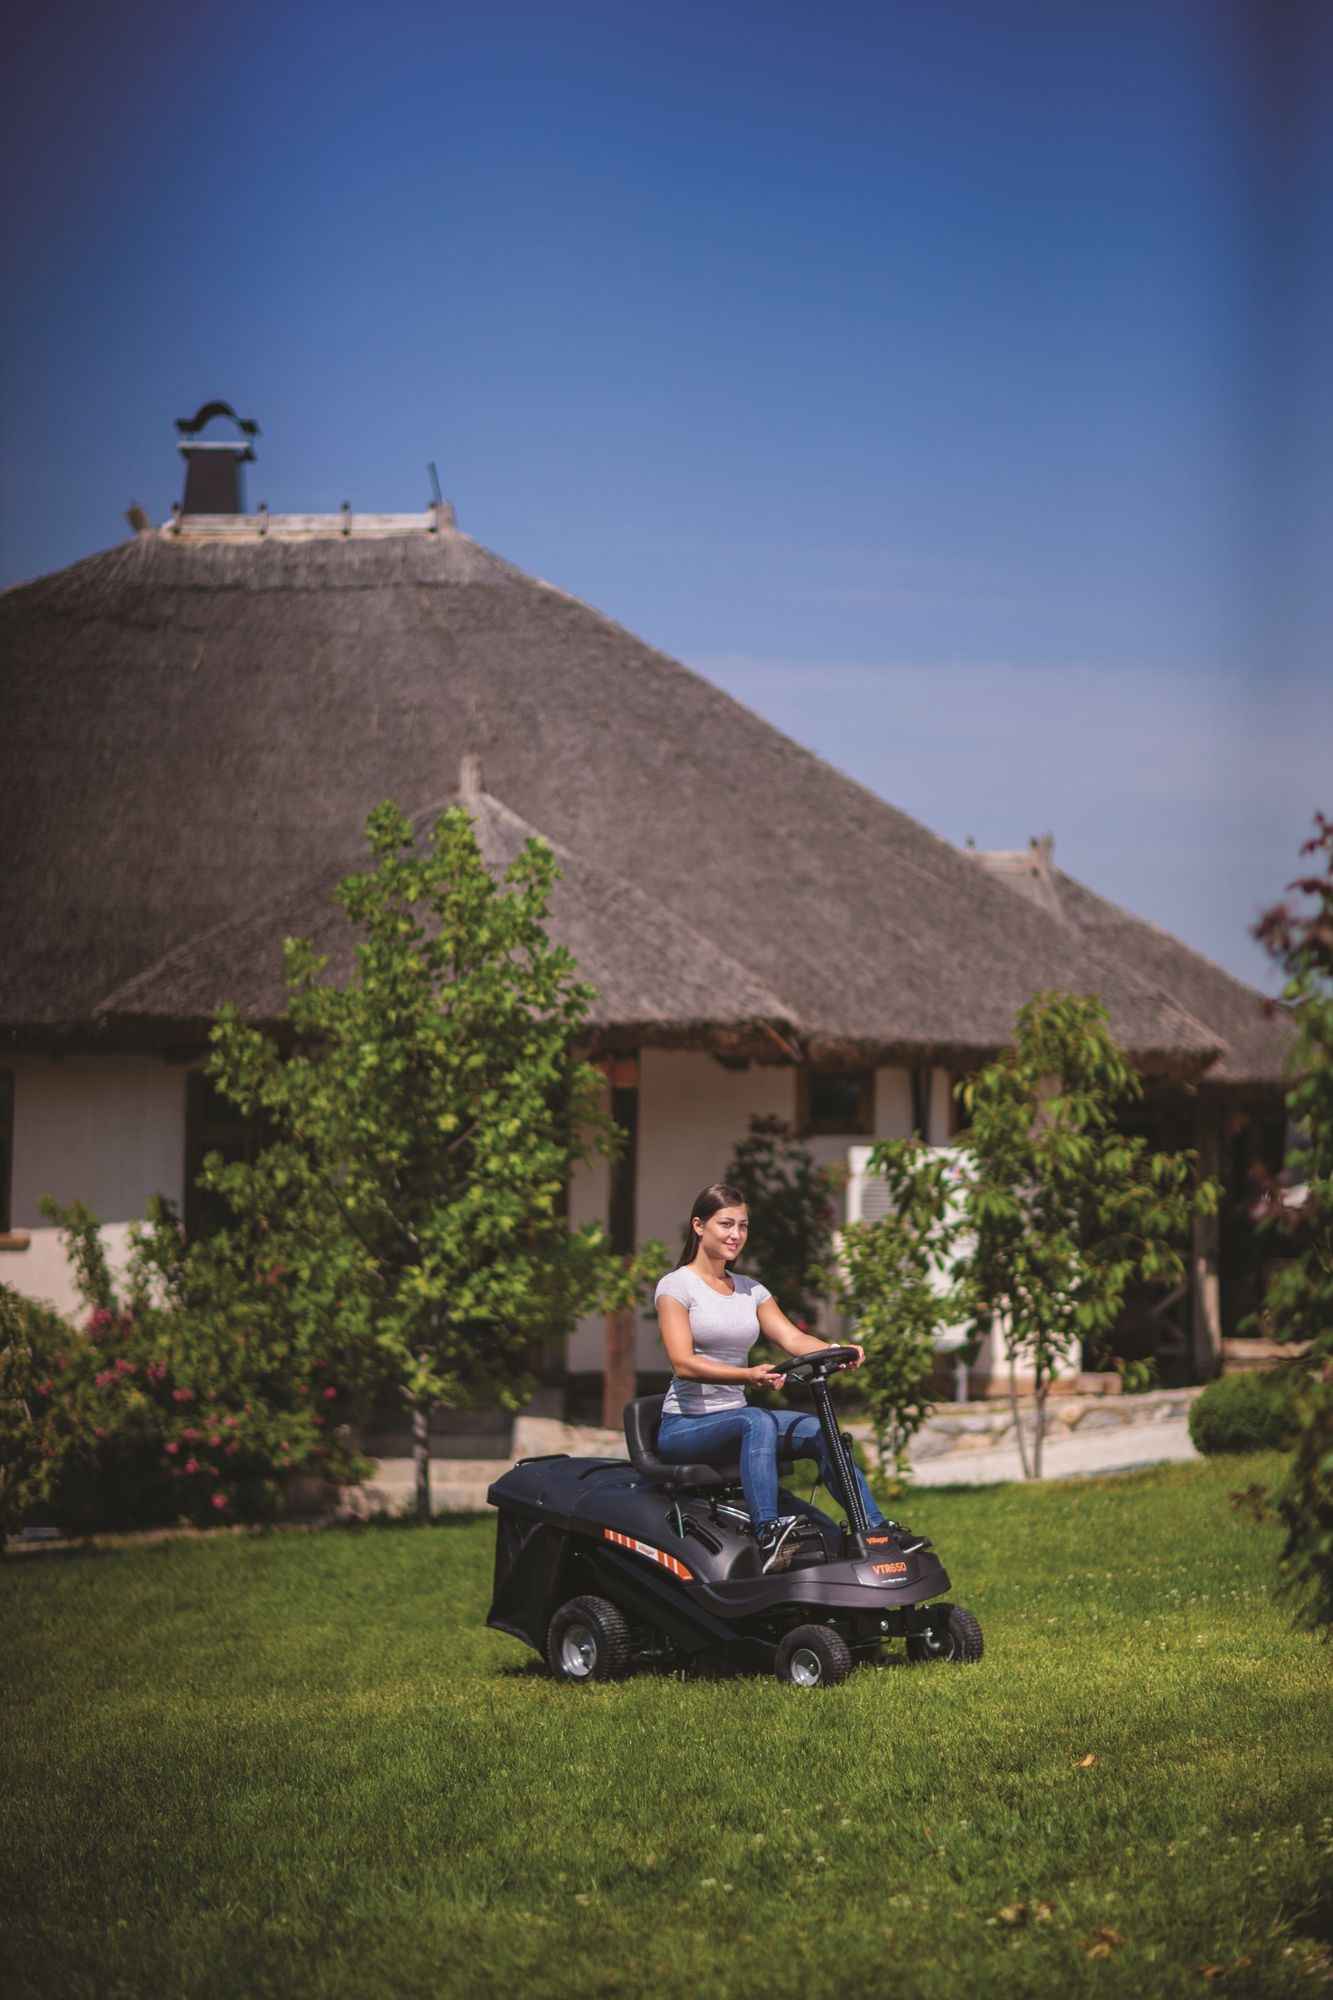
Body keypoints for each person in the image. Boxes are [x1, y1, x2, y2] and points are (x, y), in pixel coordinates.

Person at [653, 1180, 896, 1573]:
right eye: (726, 1224)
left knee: (818, 1430)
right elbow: (683, 1362)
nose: (736, 1235)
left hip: (736, 1420)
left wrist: (835, 1350)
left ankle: (875, 1530)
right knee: (756, 1420)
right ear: (699, 1226)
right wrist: (747, 1375)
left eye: (743, 1226)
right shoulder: (676, 1286)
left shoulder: (751, 1290)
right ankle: (769, 1532)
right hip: (685, 1426)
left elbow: (792, 1338)